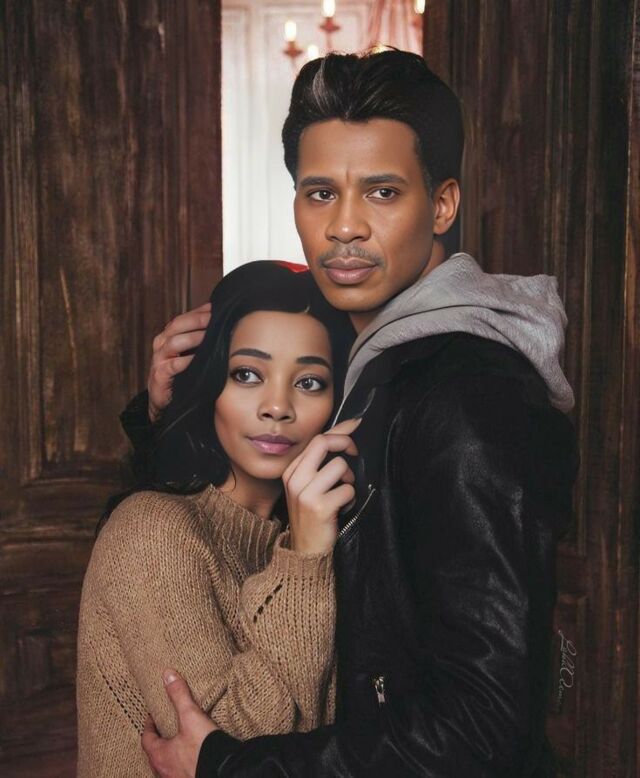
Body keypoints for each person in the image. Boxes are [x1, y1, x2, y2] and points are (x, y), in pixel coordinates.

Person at [134, 51, 578, 776]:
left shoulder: (468, 395)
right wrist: (169, 411)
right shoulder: (366, 360)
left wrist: (228, 767)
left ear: (442, 205)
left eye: (381, 192)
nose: (344, 227)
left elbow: (483, 728)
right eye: (320, 193)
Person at [76, 261, 358, 777]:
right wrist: (304, 560)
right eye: (247, 374)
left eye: (310, 381)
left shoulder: (316, 532)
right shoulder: (152, 531)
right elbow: (232, 754)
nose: (277, 407)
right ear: (211, 386)